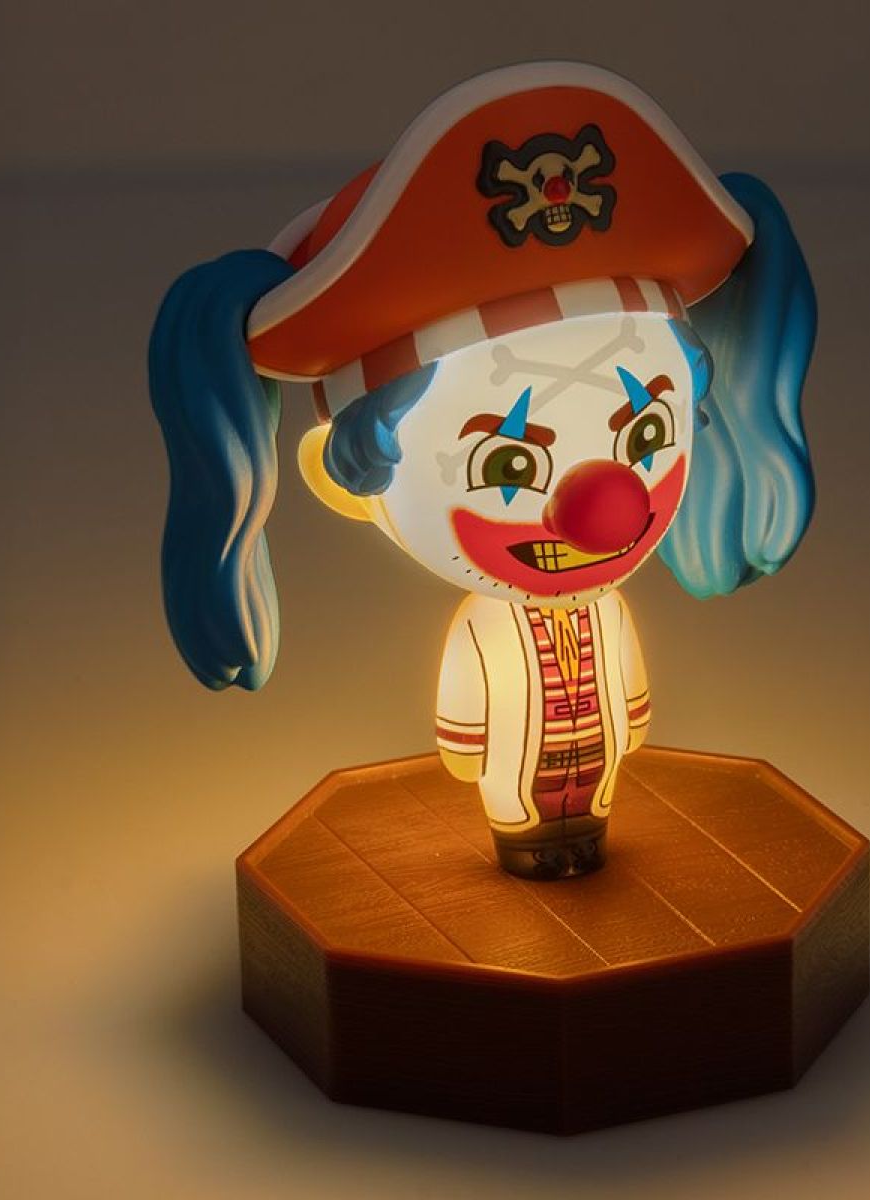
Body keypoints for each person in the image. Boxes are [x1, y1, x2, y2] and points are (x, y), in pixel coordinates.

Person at [149, 62, 817, 879]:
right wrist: (472, 747)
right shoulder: (484, 624)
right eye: (509, 463)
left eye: (646, 436)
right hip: (518, 786)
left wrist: (628, 719)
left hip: (595, 765)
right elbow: (466, 729)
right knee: (523, 813)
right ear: (344, 480)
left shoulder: (605, 610)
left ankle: (585, 832)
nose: (603, 507)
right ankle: (525, 842)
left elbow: (628, 704)